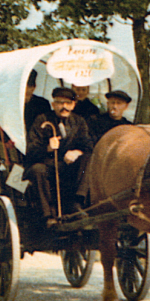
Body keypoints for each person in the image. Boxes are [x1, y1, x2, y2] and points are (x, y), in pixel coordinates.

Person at [24, 87, 94, 225]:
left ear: (73, 105)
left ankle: (76, 203)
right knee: (37, 170)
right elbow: (30, 150)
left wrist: (77, 152)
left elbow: (88, 145)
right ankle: (48, 215)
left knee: (88, 158)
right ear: (53, 104)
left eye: (68, 103)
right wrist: (48, 148)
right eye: (60, 103)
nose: (64, 107)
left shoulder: (79, 122)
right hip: (47, 165)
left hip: (69, 167)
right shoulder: (42, 120)